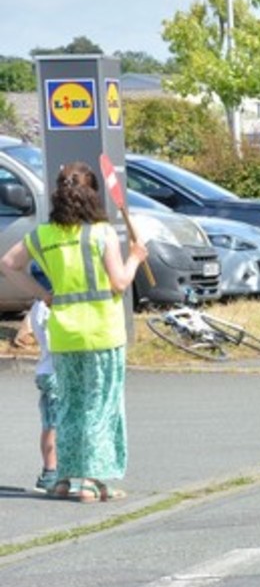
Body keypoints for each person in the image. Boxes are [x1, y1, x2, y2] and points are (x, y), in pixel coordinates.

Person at [0, 161, 149, 501]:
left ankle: (65, 478)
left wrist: (43, 295)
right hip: (102, 332)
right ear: (92, 194)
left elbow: (8, 264)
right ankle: (92, 481)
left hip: (64, 333)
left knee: (69, 406)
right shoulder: (101, 233)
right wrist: (136, 257)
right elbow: (119, 283)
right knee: (100, 406)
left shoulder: (44, 235)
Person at [28, 263, 59, 493]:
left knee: (49, 423)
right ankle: (52, 471)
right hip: (56, 371)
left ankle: (49, 471)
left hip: (45, 370)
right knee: (56, 424)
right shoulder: (50, 308)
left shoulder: (37, 307)